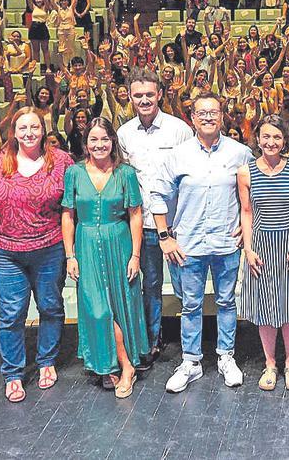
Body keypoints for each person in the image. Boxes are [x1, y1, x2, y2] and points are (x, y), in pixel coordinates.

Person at [152, 93, 253, 393]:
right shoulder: (178, 155)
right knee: (191, 304)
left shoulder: (240, 153)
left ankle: (225, 357)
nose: (208, 117)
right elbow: (158, 196)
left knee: (226, 302)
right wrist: (164, 237)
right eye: (202, 113)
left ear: (223, 116)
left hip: (226, 243)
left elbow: (254, 194)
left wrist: (246, 227)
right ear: (192, 118)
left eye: (214, 112)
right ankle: (191, 362)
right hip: (189, 244)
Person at [0, 108, 74, 403]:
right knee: (11, 313)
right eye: (22, 127)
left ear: (44, 129)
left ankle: (46, 359)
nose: (28, 133)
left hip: (49, 247)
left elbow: (70, 207)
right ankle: (13, 372)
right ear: (14, 130)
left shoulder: (61, 162)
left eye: (34, 127)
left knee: (50, 306)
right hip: (5, 250)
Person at [61, 118, 148, 398]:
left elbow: (135, 214)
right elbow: (68, 215)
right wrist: (70, 255)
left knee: (121, 307)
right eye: (93, 140)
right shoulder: (73, 173)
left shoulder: (126, 174)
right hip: (86, 245)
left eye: (104, 139)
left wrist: (135, 255)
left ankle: (120, 366)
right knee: (98, 309)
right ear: (86, 144)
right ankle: (123, 365)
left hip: (119, 244)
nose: (99, 145)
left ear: (113, 142)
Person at [117, 69, 193, 367]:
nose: (144, 99)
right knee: (149, 286)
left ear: (160, 94)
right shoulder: (123, 134)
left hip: (176, 226)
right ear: (130, 96)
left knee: (185, 286)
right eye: (138, 95)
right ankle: (152, 340)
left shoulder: (179, 130)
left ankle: (192, 345)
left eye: (150, 94)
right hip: (142, 227)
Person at [238, 116, 289, 391]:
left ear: (284, 141)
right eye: (266, 137)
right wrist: (247, 248)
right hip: (260, 248)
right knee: (265, 308)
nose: (271, 142)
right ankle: (270, 364)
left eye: (277, 137)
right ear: (257, 139)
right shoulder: (245, 172)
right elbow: (246, 212)